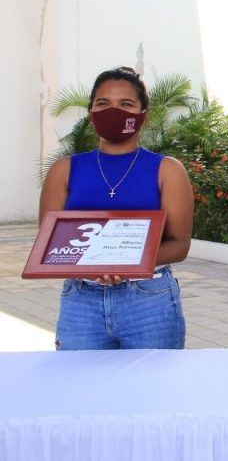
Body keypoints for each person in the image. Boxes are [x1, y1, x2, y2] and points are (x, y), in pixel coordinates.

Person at [38, 66, 194, 350]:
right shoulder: (64, 170)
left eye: (126, 104)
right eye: (103, 103)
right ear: (91, 113)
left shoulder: (167, 170)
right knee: (80, 377)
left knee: (152, 378)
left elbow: (179, 245)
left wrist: (124, 264)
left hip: (149, 301)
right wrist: (96, 267)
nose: (114, 111)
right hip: (81, 300)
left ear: (143, 114)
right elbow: (49, 243)